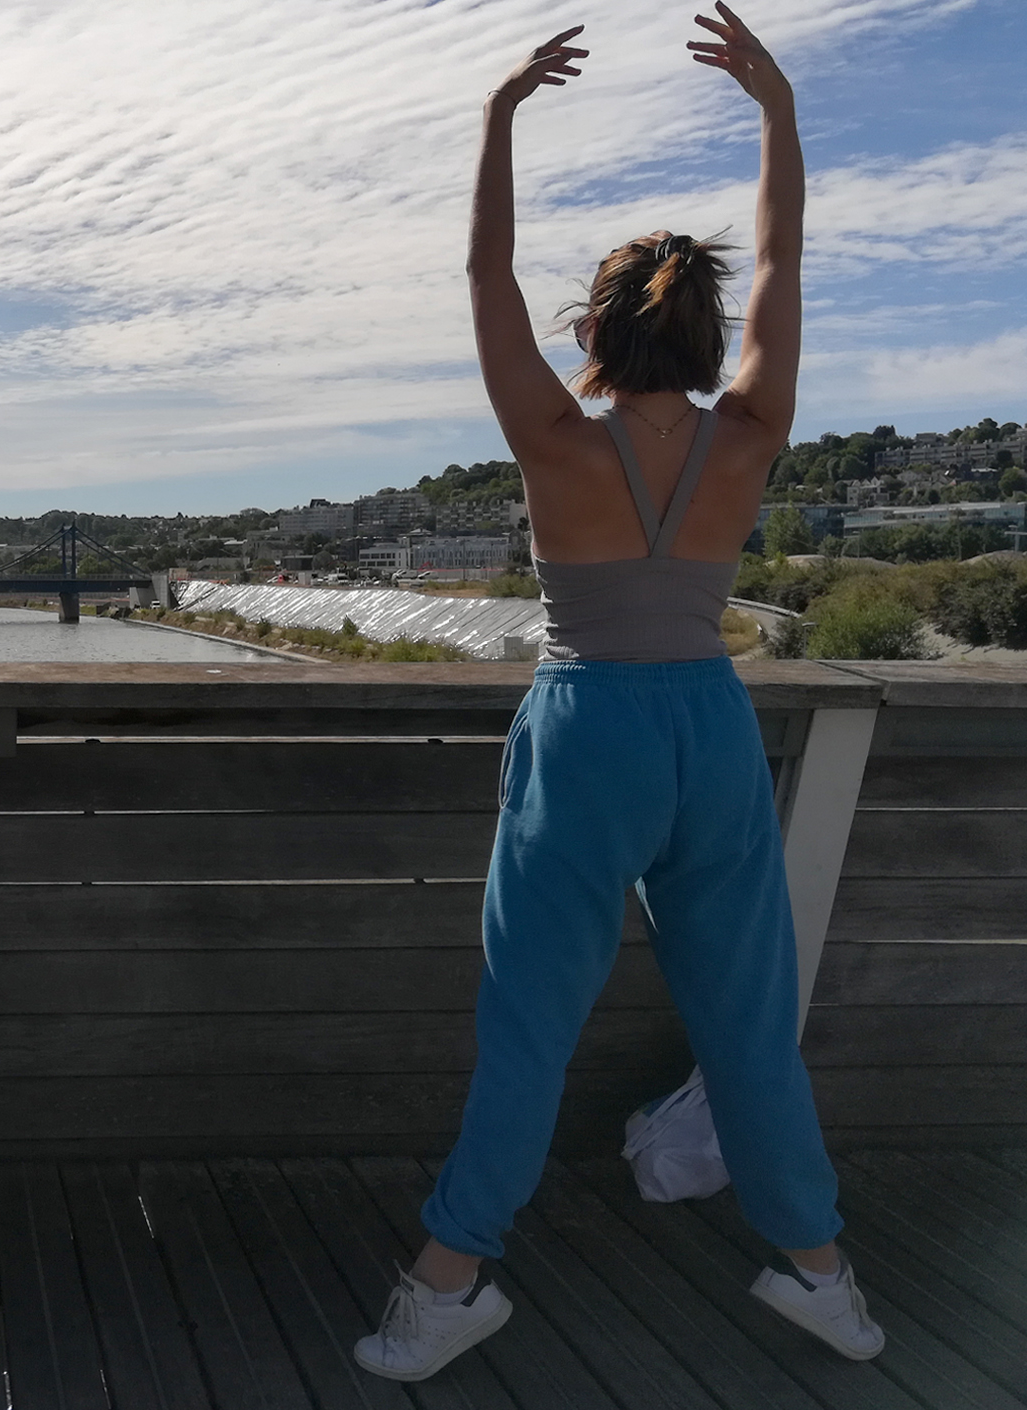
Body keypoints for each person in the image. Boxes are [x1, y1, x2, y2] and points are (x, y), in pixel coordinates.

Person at [353, 5, 886, 1383]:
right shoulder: (751, 431)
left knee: (530, 1021)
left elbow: (480, 265)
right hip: (706, 723)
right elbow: (779, 251)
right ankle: (818, 1272)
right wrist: (773, 111)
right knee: (746, 1022)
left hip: (587, 727)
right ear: (709, 338)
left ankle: (444, 1285)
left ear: (587, 327)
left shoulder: (545, 436)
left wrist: (497, 114)